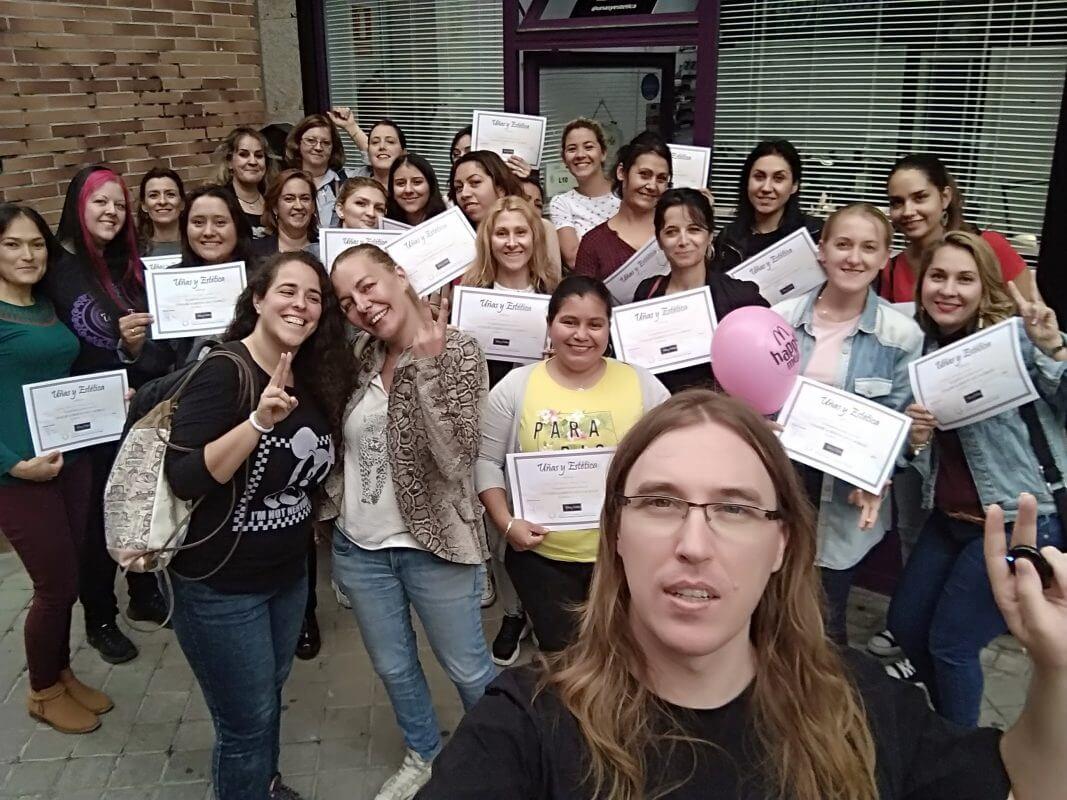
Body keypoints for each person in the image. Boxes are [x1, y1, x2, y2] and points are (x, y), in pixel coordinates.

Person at [419, 389, 1067, 800]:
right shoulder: (525, 724)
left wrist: (1057, 668)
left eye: (733, 509)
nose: (694, 544)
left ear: (780, 544)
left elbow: (1027, 782)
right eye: (660, 502)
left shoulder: (862, 704)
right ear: (614, 531)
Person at [165, 251, 352, 800]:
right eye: (289, 291)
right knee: (244, 725)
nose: (301, 304)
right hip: (220, 585)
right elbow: (185, 477)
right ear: (258, 300)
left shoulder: (311, 375)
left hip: (286, 576)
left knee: (266, 697)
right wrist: (256, 422)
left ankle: (263, 786)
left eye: (314, 296)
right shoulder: (225, 370)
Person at [328, 244, 497, 800]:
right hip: (361, 548)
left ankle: (500, 758)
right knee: (395, 670)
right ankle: (424, 752)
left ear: (399, 275)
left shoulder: (462, 350)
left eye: (368, 286)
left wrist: (424, 368)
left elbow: (455, 459)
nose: (362, 305)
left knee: (470, 671)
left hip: (437, 546)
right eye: (348, 300)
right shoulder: (358, 356)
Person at [887, 231, 1067, 727]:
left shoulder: (1015, 341)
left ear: (985, 285)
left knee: (951, 645)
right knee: (904, 623)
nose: (949, 289)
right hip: (952, 519)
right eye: (938, 277)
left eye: (965, 279)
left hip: (1018, 519)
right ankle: (948, 722)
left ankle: (957, 751)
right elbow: (916, 457)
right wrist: (917, 440)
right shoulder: (919, 351)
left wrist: (1052, 345)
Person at [476, 275, 669, 655]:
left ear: (608, 329)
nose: (582, 334)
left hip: (623, 558)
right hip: (542, 561)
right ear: (550, 325)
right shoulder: (517, 386)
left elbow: (676, 452)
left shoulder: (641, 384)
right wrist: (506, 522)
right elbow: (485, 462)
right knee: (563, 657)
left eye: (594, 324)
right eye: (569, 322)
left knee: (624, 654)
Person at [773, 203, 923, 645]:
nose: (853, 258)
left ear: (885, 257)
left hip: (844, 506)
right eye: (842, 244)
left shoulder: (901, 335)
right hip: (781, 494)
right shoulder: (779, 320)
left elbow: (903, 427)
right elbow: (752, 406)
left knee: (825, 628)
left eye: (868, 247)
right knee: (766, 617)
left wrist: (882, 472)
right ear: (821, 250)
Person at [43, 166, 174, 665]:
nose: (111, 212)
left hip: (133, 408)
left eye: (119, 205)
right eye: (100, 202)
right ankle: (98, 614)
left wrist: (128, 350)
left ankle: (143, 589)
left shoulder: (128, 266)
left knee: (139, 499)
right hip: (82, 417)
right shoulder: (57, 268)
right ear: (78, 205)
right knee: (95, 517)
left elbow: (142, 345)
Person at [0, 203, 112, 734]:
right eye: (13, 244)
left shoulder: (45, 304)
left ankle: (62, 672)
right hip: (19, 473)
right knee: (55, 584)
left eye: (37, 244)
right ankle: (42, 691)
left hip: (69, 459)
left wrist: (107, 402)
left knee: (74, 566)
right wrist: (12, 465)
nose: (28, 254)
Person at [461, 194, 561, 664]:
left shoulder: (553, 295)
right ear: (488, 239)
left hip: (539, 423)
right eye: (502, 233)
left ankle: (540, 608)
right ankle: (513, 611)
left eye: (521, 232)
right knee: (496, 522)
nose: (512, 241)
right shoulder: (468, 294)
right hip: (485, 423)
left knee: (536, 517)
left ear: (535, 237)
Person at [633, 189, 767, 394]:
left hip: (717, 416)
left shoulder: (740, 296)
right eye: (671, 231)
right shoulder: (647, 292)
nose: (683, 240)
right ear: (659, 241)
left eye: (694, 229)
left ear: (710, 236)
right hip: (661, 414)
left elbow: (766, 362)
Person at [881, 153, 1034, 305]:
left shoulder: (990, 246)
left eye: (920, 197)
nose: (908, 211)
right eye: (897, 202)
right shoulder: (891, 270)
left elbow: (1031, 316)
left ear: (945, 197)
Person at [709, 138, 823, 274]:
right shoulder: (729, 238)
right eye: (759, 177)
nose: (766, 188)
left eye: (778, 178)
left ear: (794, 186)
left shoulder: (814, 234)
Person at [172, 185, 257, 365]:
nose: (209, 232)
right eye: (198, 222)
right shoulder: (170, 282)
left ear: (237, 227)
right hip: (187, 386)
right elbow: (159, 359)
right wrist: (134, 345)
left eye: (220, 222)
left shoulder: (263, 279)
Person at [573, 132, 671, 281]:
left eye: (661, 179)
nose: (652, 186)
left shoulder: (675, 234)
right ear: (621, 173)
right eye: (644, 174)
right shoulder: (594, 243)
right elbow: (581, 300)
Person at [451, 150, 562, 277]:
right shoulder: (454, 237)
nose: (464, 194)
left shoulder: (541, 227)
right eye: (458, 188)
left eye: (475, 182)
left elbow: (553, 287)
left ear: (501, 189)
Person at [548, 118, 620, 268]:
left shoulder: (625, 194)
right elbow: (574, 259)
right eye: (572, 149)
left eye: (588, 147)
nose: (580, 155)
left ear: (603, 153)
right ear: (564, 159)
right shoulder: (561, 203)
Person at [285, 114, 348, 230]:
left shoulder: (345, 181)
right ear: (298, 143)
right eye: (311, 140)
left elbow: (376, 162)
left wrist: (351, 127)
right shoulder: (285, 183)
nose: (318, 147)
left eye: (326, 143)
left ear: (333, 147)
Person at [216, 126, 275, 239]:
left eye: (259, 155)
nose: (253, 162)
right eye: (244, 154)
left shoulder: (274, 200)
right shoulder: (219, 202)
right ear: (229, 162)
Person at [251, 169, 320, 261]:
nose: (298, 206)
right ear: (275, 207)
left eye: (305, 199)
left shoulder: (325, 249)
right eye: (289, 199)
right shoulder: (254, 252)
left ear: (313, 206)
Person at [386, 153, 448, 227]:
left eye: (417, 182)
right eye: (400, 183)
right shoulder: (382, 225)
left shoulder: (449, 222)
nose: (408, 190)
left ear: (430, 185)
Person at [137, 166, 185, 256]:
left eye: (170, 194)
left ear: (182, 203)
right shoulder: (134, 252)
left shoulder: (198, 246)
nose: (162, 201)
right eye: (153, 195)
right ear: (144, 205)